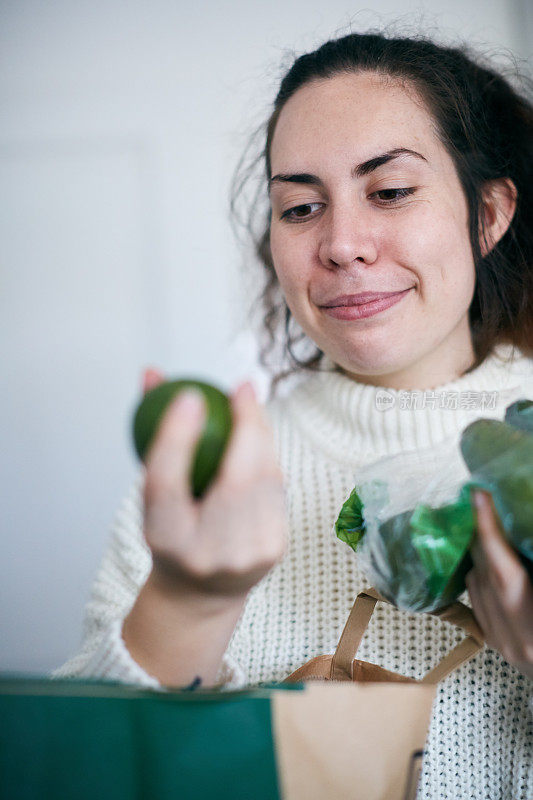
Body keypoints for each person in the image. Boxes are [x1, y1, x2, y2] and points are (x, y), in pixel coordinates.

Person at [52, 30, 533, 800]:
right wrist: (187, 600)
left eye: (390, 192)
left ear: (488, 214)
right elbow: (75, 777)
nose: (341, 244)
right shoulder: (213, 476)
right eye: (302, 207)